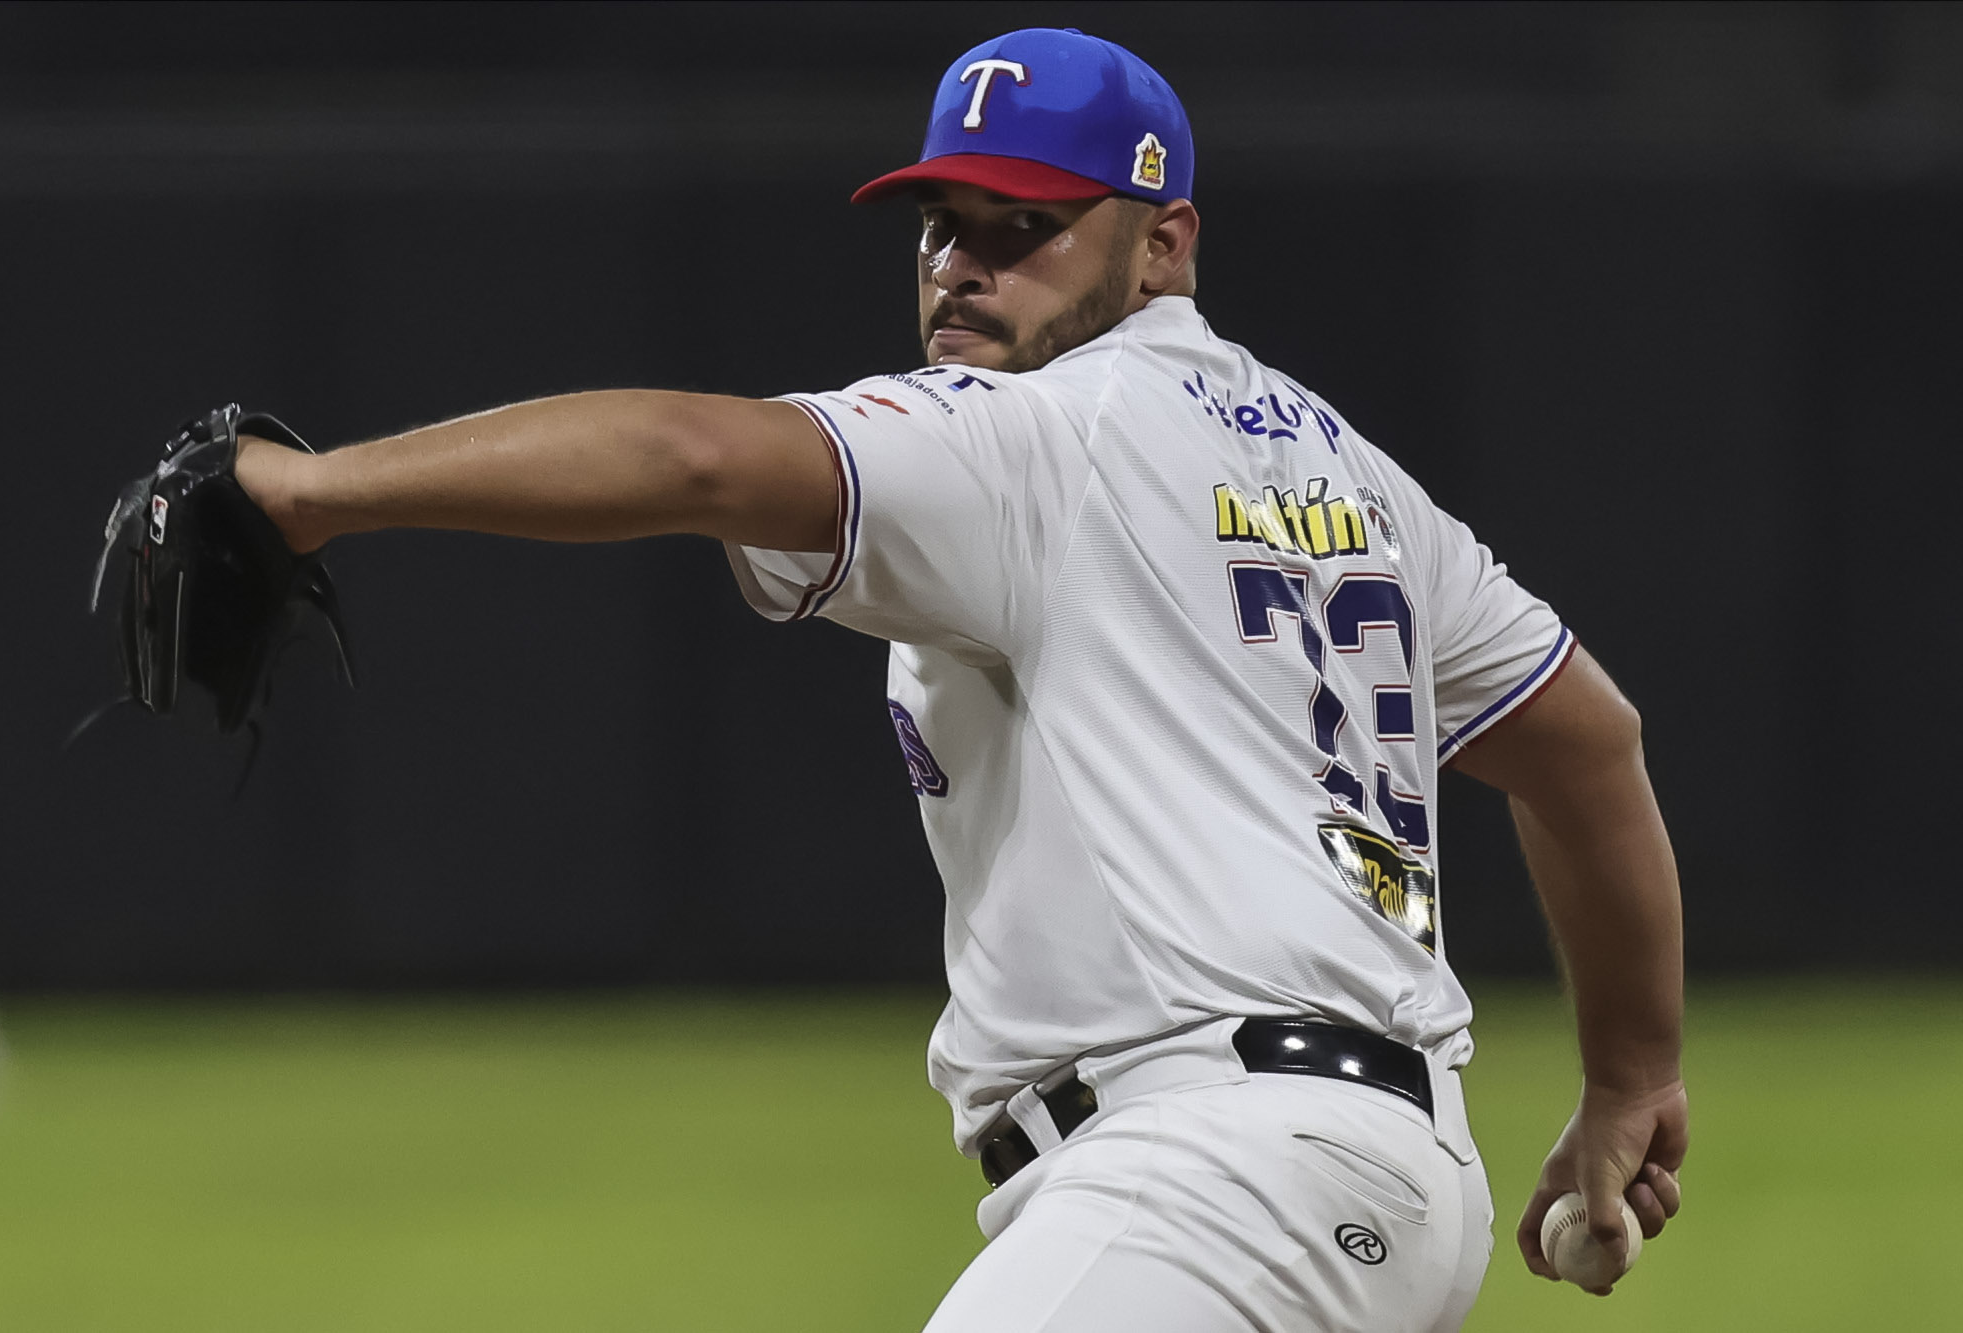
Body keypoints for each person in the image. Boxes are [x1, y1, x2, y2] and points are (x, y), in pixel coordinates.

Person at [233, 27, 1685, 1333]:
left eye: (1025, 227)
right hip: (1384, 1181)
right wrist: (1633, 1076)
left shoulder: (1040, 432)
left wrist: (311, 492)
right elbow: (1585, 742)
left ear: (1163, 245)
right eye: (942, 225)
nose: (962, 266)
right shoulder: (1354, 480)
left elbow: (691, 456)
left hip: (1219, 1177)